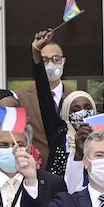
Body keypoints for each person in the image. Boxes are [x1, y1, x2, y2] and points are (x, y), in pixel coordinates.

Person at [20, 30, 76, 160]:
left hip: (71, 165)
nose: (50, 64)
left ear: (63, 61)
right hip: (34, 166)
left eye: (56, 59)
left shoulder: (77, 98)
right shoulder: (21, 97)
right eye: (44, 60)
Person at [60, 90, 99, 184]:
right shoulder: (60, 139)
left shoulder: (102, 138)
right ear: (67, 114)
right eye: (76, 110)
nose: (83, 112)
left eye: (88, 108)